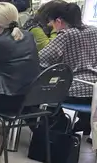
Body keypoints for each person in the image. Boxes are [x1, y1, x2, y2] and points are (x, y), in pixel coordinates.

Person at [38, 1, 97, 136]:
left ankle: (61, 127)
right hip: (94, 89)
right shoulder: (94, 31)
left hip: (76, 88)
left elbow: (42, 58)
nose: (52, 27)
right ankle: (84, 121)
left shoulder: (66, 35)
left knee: (42, 94)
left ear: (59, 21)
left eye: (52, 23)